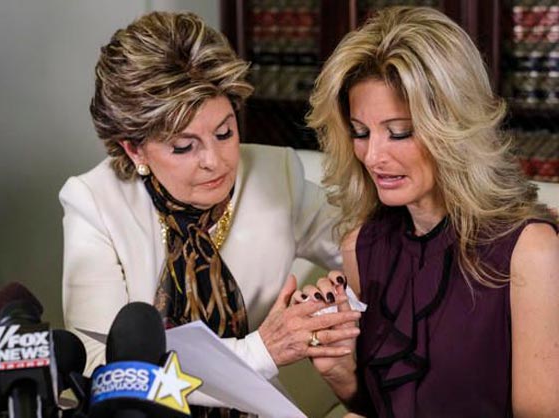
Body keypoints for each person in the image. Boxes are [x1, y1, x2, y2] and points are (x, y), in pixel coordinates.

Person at [59, 11, 361, 415]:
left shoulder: (278, 176)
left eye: (225, 132)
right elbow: (104, 369)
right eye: (184, 147)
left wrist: (341, 297)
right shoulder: (94, 202)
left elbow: (372, 252)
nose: (215, 161)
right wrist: (261, 351)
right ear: (135, 149)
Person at [300, 6, 559, 418]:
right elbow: (374, 405)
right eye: (360, 132)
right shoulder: (360, 247)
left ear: (454, 128)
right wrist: (338, 369)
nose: (373, 155)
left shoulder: (529, 250)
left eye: (399, 132)